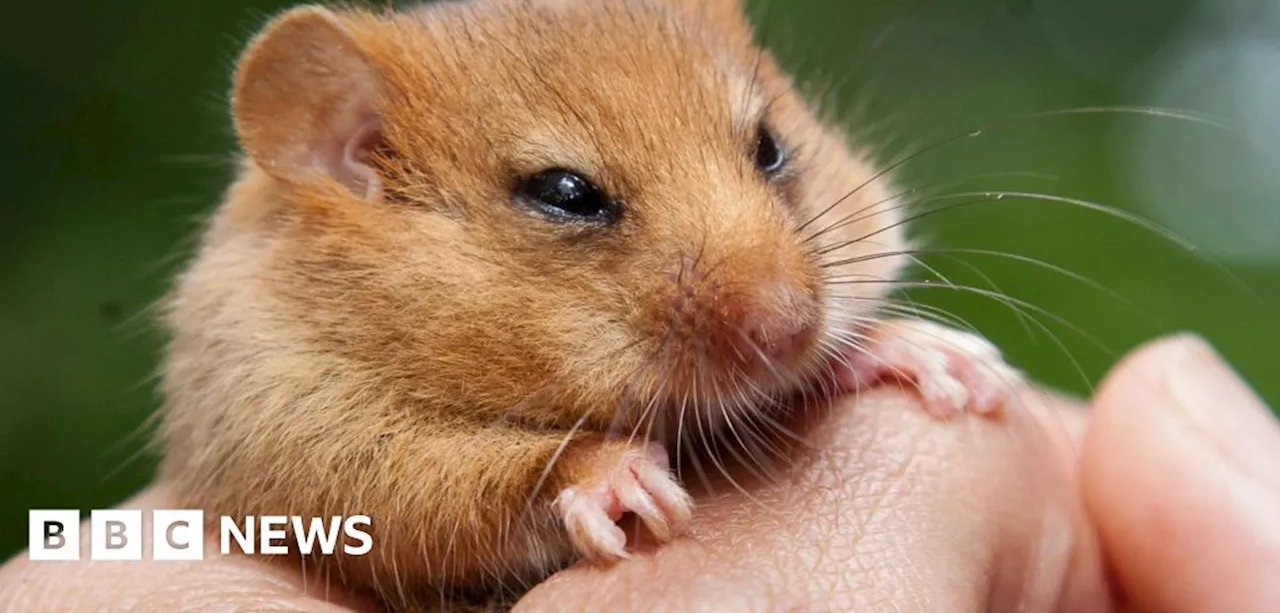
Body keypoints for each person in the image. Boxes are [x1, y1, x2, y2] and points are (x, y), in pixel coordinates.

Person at [1, 334, 1276, 611]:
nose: (766, 296)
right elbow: (318, 497)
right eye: (572, 196)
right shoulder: (270, 340)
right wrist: (530, 483)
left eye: (762, 157)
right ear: (346, 150)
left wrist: (858, 344)